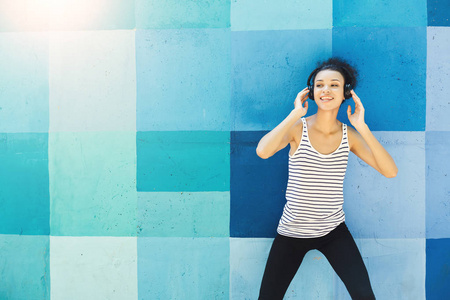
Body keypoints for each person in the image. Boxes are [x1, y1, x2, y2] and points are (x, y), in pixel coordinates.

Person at [255, 57, 398, 299]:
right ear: (311, 92)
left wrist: (362, 127)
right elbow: (263, 151)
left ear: (346, 93)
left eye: (334, 85)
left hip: (333, 231)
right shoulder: (297, 128)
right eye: (319, 85)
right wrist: (294, 114)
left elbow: (390, 170)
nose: (326, 90)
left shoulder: (349, 135)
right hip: (291, 232)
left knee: (364, 295)